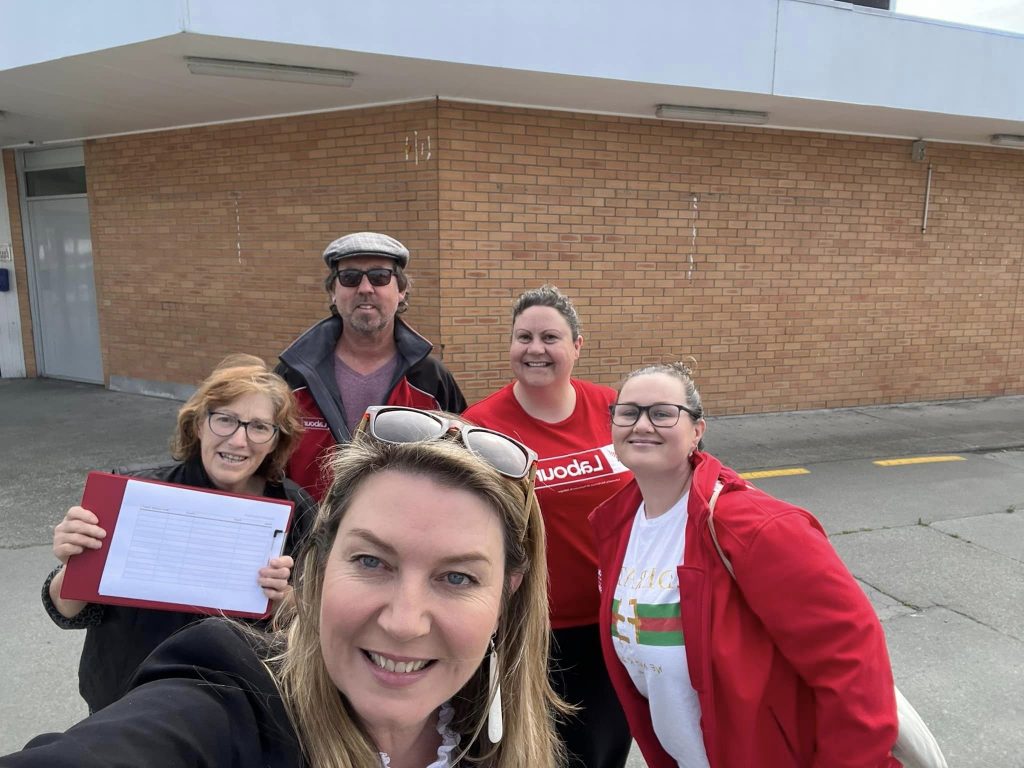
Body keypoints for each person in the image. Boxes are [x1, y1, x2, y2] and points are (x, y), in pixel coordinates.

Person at [5, 406, 564, 768]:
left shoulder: (509, 736)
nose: (402, 620)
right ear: (320, 562)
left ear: (507, 594)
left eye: (458, 577)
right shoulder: (230, 704)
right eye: (371, 561)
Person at [591, 361, 901, 768]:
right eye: (628, 412)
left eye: (663, 413)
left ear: (697, 431)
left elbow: (853, 664)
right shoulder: (616, 526)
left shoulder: (757, 528)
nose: (642, 425)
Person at [42, 354, 316, 714]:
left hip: (237, 708)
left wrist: (287, 601)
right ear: (199, 424)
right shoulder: (134, 494)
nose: (238, 440)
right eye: (225, 420)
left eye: (259, 427)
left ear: (275, 440)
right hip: (128, 701)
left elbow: (320, 616)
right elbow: (67, 610)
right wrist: (73, 562)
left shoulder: (295, 508)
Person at [464, 286, 633, 768]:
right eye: (524, 337)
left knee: (602, 748)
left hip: (612, 624)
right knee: (531, 750)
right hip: (530, 627)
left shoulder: (613, 407)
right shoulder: (482, 427)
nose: (535, 349)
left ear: (578, 346)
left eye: (550, 337)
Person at [277, 231, 466, 500]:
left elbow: (464, 468)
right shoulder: (293, 376)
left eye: (379, 277)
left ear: (401, 291)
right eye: (350, 278)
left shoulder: (431, 382)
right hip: (308, 535)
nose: (365, 288)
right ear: (333, 291)